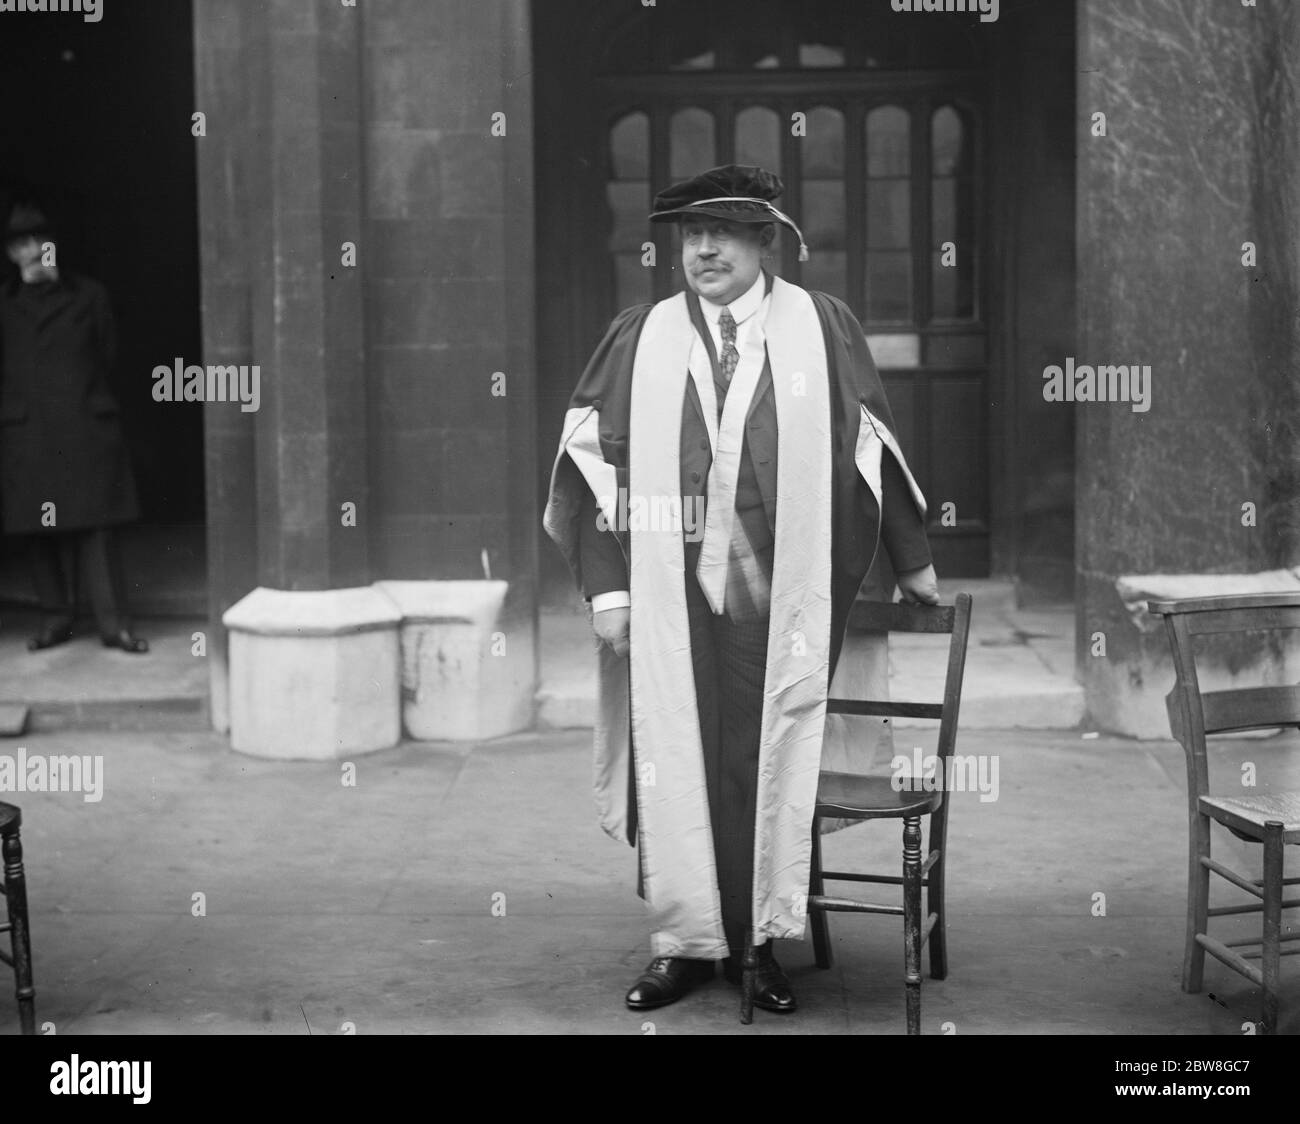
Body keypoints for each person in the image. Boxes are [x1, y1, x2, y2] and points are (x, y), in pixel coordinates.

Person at [543, 165, 938, 1014]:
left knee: (758, 764)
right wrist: (608, 592)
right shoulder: (640, 337)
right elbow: (588, 464)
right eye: (692, 234)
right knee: (675, 761)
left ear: (768, 242)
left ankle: (758, 945)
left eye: (725, 232)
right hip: (669, 594)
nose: (706, 249)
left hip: (781, 597)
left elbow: (873, 439)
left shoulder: (820, 328)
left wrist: (912, 561)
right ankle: (684, 944)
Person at [0, 202, 148, 653]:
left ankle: (113, 624)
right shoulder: (4, 305)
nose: (32, 252)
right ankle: (55, 619)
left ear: (54, 247)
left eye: (39, 242)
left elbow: (109, 354)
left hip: (83, 423)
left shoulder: (89, 296)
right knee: (37, 529)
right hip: (30, 430)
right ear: (11, 254)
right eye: (21, 244)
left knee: (97, 527)